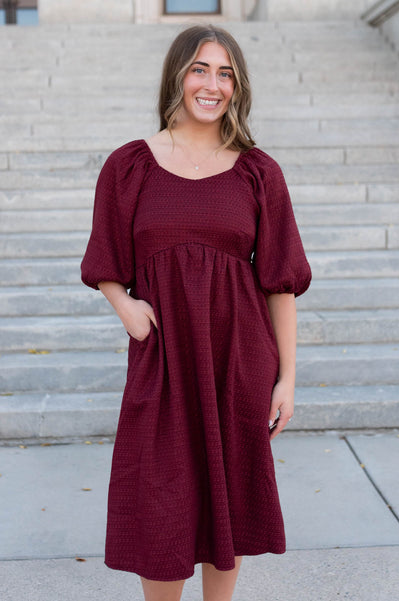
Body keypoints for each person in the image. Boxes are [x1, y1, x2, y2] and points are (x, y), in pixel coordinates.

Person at [81, 23, 311, 601]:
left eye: (226, 73)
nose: (213, 85)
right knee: (161, 504)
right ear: (177, 76)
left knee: (226, 503)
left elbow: (280, 282)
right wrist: (124, 305)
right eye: (201, 70)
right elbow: (105, 255)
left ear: (238, 86)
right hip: (163, 363)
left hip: (239, 359)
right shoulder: (130, 166)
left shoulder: (259, 172)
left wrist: (288, 377)